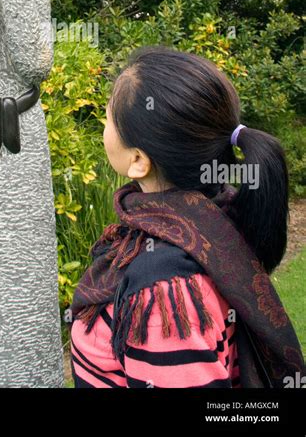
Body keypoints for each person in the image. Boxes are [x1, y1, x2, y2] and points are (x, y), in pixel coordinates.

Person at [69, 46, 305, 388]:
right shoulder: (218, 218)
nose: (103, 126)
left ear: (138, 160)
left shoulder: (164, 293)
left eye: (108, 118)